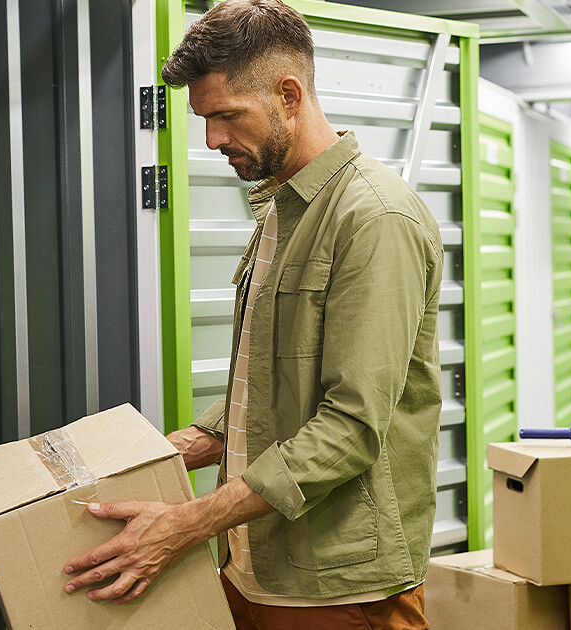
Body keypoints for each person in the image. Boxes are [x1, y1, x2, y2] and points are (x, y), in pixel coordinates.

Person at [62, 1, 443, 626]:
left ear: (289, 94)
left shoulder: (373, 218)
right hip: (251, 567)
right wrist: (169, 451)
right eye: (205, 120)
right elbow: (267, 385)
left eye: (226, 117)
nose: (212, 140)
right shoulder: (277, 213)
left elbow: (348, 428)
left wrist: (184, 524)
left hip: (336, 587)